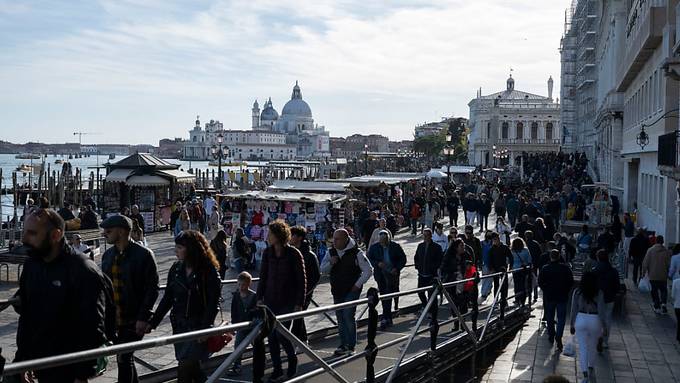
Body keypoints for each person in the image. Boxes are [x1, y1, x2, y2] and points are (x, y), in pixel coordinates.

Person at [14, 209, 112, 383]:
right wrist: (23, 359)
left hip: (70, 366)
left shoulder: (82, 269)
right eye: (24, 232)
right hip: (42, 362)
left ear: (56, 235)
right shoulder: (32, 266)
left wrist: (82, 374)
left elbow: (93, 326)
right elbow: (28, 316)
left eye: (32, 233)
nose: (25, 239)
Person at [147, 230, 221, 382]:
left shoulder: (207, 270)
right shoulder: (176, 269)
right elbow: (168, 298)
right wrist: (153, 322)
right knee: (192, 367)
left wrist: (205, 328)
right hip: (179, 324)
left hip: (197, 324)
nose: (176, 251)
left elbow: (213, 302)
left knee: (185, 366)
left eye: (180, 247)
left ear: (191, 248)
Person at [101, 214, 160, 383]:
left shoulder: (144, 255)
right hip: (114, 319)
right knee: (125, 358)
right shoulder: (107, 256)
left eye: (108, 230)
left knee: (123, 357)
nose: (105, 234)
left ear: (120, 232)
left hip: (134, 317)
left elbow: (152, 289)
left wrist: (143, 317)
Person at [254, 220, 306, 382]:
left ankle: (292, 360)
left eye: (270, 234)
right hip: (270, 300)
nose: (267, 237)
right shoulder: (268, 253)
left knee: (281, 334)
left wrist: (299, 302)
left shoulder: (294, 254)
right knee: (271, 337)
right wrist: (259, 298)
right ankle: (277, 368)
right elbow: (263, 277)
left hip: (287, 300)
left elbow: (301, 279)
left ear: (278, 235)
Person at [320, 228, 373, 356]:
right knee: (340, 317)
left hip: (351, 289)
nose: (334, 241)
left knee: (348, 315)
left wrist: (357, 284)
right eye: (334, 238)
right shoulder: (331, 252)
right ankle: (343, 344)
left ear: (345, 239)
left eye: (337, 239)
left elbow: (368, 270)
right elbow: (322, 269)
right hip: (337, 290)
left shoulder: (357, 253)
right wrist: (331, 263)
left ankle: (350, 345)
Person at [570, 272, 607, 383]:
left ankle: (585, 374)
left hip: (581, 318)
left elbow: (573, 309)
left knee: (582, 347)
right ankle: (591, 365)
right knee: (592, 345)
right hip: (594, 319)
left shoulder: (577, 292)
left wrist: (572, 324)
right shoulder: (599, 293)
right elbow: (601, 310)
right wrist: (604, 326)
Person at [367, 229, 407, 329]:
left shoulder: (395, 246)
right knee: (385, 295)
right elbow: (369, 259)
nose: (383, 243)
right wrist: (377, 263)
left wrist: (396, 268)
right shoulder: (375, 247)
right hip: (381, 274)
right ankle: (386, 317)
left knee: (389, 294)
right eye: (381, 241)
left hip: (392, 274)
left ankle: (387, 316)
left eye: (385, 241)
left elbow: (403, 259)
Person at [290, 226, 321, 343]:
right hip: (291, 291)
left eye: (291, 235)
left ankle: (297, 341)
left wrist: (305, 291)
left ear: (299, 237)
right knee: (297, 316)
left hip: (304, 292)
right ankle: (302, 339)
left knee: (298, 317)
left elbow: (316, 276)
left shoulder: (310, 255)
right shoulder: (290, 252)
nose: (289, 238)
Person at [539, 249, 573, 351]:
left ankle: (551, 334)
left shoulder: (545, 268)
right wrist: (566, 290)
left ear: (551, 257)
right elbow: (570, 281)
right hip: (562, 296)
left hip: (550, 296)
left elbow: (540, 282)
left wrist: (546, 289)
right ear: (559, 256)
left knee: (550, 316)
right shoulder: (565, 268)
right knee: (561, 317)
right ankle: (559, 335)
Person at [227, 272, 257, 377]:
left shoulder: (254, 296)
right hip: (241, 325)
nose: (241, 287)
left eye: (243, 285)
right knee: (238, 346)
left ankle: (261, 361)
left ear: (249, 284)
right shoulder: (236, 296)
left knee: (257, 345)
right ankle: (237, 366)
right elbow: (234, 311)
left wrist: (255, 321)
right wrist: (233, 326)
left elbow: (257, 311)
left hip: (252, 326)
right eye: (239, 284)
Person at [593, 249, 620, 351]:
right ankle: (605, 340)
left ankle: (597, 335)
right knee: (608, 318)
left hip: (598, 297)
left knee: (598, 316)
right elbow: (617, 285)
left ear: (598, 258)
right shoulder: (613, 271)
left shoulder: (595, 270)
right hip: (610, 297)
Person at [414, 228, 444, 310]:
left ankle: (431, 309)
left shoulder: (437, 247)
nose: (425, 237)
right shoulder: (420, 246)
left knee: (431, 294)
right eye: (424, 235)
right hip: (422, 274)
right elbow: (416, 257)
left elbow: (440, 260)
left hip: (431, 275)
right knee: (420, 292)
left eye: (427, 235)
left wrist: (434, 268)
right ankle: (426, 305)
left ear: (431, 236)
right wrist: (418, 266)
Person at [642, 235, 671, 314]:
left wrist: (643, 273)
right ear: (663, 241)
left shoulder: (650, 250)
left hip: (653, 275)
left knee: (654, 291)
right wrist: (669, 273)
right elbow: (669, 264)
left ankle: (657, 305)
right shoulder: (666, 251)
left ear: (655, 241)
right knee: (663, 290)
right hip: (663, 275)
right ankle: (664, 303)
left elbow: (645, 263)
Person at [488, 232, 512, 321]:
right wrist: (491, 268)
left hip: (503, 269)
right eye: (493, 240)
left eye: (496, 239)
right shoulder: (492, 249)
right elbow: (489, 259)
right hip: (495, 269)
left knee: (504, 285)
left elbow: (510, 256)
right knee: (496, 285)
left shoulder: (504, 247)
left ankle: (504, 299)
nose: (495, 241)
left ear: (498, 238)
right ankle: (496, 300)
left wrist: (511, 266)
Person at [510, 238, 531, 307]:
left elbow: (508, 261)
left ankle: (517, 299)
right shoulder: (525, 250)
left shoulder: (512, 251)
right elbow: (529, 260)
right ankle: (523, 301)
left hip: (515, 270)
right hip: (523, 269)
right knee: (523, 285)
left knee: (516, 285)